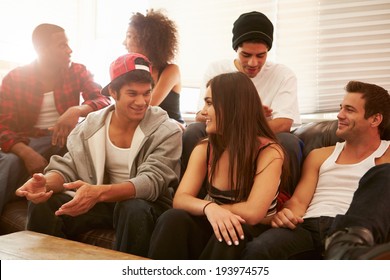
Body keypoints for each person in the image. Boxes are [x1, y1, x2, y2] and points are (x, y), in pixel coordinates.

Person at [15, 53, 182, 257]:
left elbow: (152, 181)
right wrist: (45, 183)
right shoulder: (90, 126)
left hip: (145, 206)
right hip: (101, 204)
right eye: (132, 93)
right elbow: (68, 167)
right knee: (44, 204)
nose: (142, 101)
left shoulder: (166, 130)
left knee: (132, 208)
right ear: (113, 91)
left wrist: (98, 192)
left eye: (146, 93)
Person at [242, 80, 390, 259]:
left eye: (349, 110)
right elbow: (299, 202)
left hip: (354, 231)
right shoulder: (319, 155)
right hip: (308, 226)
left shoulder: (387, 155)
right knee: (259, 249)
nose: (339, 115)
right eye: (341, 108)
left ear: (375, 119)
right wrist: (286, 215)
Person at [148, 72, 288, 260]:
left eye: (210, 103)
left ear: (234, 106)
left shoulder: (269, 153)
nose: (203, 111)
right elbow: (180, 199)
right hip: (214, 222)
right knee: (172, 218)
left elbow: (253, 213)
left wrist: (218, 210)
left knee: (230, 232)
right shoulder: (205, 148)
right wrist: (210, 208)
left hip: (251, 231)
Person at [182, 11, 302, 193]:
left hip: (262, 136)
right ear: (236, 49)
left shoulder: (283, 74)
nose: (253, 63)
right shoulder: (217, 69)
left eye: (261, 56)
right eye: (246, 55)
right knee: (193, 132)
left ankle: (283, 206)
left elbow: (284, 123)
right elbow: (202, 115)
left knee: (289, 142)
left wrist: (246, 123)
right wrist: (250, 115)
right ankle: (194, 195)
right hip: (224, 133)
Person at [0, 23, 110, 214]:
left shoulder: (77, 71)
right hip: (28, 141)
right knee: (8, 162)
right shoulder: (15, 78)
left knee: (81, 153)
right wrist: (27, 153)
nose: (70, 50)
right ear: (42, 50)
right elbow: (3, 126)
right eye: (62, 45)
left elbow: (103, 99)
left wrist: (76, 110)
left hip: (66, 140)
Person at [123, 9, 185, 128]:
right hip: (143, 130)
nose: (124, 43)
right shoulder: (132, 70)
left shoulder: (171, 71)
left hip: (172, 130)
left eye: (129, 36)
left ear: (147, 41)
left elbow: (147, 107)